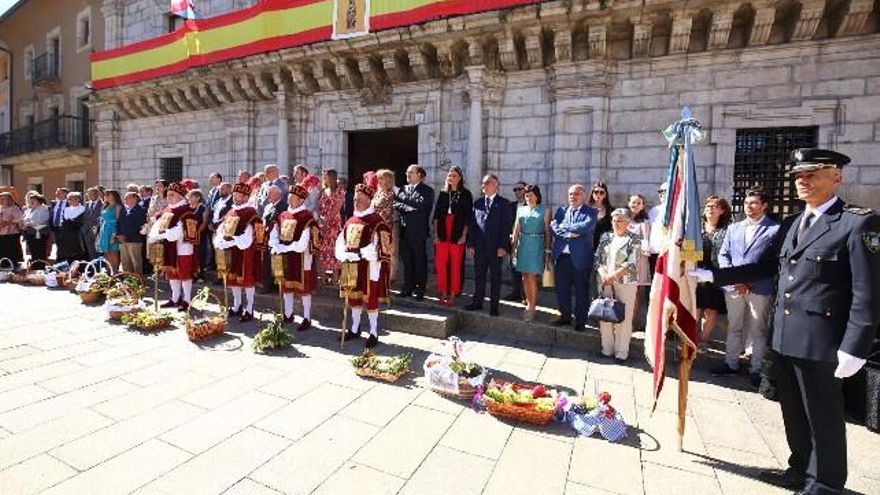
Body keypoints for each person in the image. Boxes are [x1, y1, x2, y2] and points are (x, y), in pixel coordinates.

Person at [690, 149, 880, 495]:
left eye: (813, 174)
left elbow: (868, 291)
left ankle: (826, 483)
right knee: (792, 409)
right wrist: (712, 273)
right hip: (784, 334)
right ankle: (799, 469)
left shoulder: (858, 222)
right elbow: (766, 268)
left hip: (823, 340)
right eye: (798, 176)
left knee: (823, 414)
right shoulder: (793, 222)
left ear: (836, 176)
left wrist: (856, 345)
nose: (803, 181)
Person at [713, 189, 780, 387]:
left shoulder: (775, 229)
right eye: (746, 203)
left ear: (764, 205)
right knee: (734, 326)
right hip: (734, 287)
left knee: (758, 328)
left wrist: (748, 281)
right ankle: (730, 362)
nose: (748, 207)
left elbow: (773, 262)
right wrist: (735, 280)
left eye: (753, 203)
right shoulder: (734, 228)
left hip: (759, 288)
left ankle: (757, 369)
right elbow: (723, 255)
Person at [335, 183, 392, 348]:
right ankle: (354, 328)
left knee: (371, 299)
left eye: (360, 199)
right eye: (355, 199)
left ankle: (373, 332)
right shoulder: (350, 220)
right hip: (350, 266)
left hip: (369, 267)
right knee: (354, 298)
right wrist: (343, 254)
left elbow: (381, 247)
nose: (356, 202)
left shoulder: (377, 221)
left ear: (369, 200)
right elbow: (341, 241)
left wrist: (360, 254)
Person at [269, 185, 318, 330]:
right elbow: (274, 233)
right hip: (285, 257)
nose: (289, 198)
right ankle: (288, 314)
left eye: (293, 197)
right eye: (289, 196)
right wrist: (275, 245)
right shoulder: (283, 215)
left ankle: (307, 317)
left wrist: (286, 247)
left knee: (304, 288)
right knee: (286, 287)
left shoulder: (306, 217)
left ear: (301, 200)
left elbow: (304, 242)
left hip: (302, 257)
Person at [213, 182, 265, 322]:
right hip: (231, 250)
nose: (235, 197)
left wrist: (233, 240)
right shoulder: (230, 211)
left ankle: (250, 308)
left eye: (238, 195)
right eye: (234, 194)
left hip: (245, 250)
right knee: (233, 279)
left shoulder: (250, 212)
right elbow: (221, 228)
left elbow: (249, 234)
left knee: (246, 279)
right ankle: (237, 306)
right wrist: (221, 240)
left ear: (246, 197)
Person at [594, 208, 641, 362]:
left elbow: (631, 264)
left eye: (620, 220)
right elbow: (598, 259)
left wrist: (612, 276)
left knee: (624, 318)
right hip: (605, 281)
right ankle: (606, 349)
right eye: (614, 220)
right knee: (605, 314)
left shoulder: (634, 238)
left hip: (625, 283)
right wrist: (603, 274)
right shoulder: (605, 237)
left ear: (628, 222)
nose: (616, 223)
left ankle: (621, 353)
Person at [550, 184, 597, 330]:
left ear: (583, 195)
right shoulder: (561, 211)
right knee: (562, 289)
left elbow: (586, 227)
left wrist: (565, 227)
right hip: (561, 258)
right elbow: (553, 227)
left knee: (581, 291)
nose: (573, 197)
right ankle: (565, 316)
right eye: (571, 194)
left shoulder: (591, 212)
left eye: (576, 194)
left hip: (580, 258)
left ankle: (580, 321)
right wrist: (569, 233)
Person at [147, 182, 200, 310]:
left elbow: (182, 230)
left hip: (183, 247)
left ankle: (186, 300)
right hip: (169, 246)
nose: (169, 197)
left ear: (181, 197)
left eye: (172, 195)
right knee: (172, 273)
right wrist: (154, 235)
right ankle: (175, 298)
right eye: (168, 195)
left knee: (184, 274)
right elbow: (158, 226)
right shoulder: (167, 210)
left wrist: (165, 233)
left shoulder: (186, 211)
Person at [465, 174, 511, 317]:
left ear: (496, 185)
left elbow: (506, 227)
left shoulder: (504, 203)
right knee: (479, 276)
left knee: (495, 278)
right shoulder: (477, 203)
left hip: (496, 248)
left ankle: (494, 306)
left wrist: (503, 247)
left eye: (487, 183)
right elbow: (473, 225)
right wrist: (471, 244)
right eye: (483, 183)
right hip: (479, 247)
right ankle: (477, 302)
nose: (484, 185)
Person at [695, 195, 732, 350]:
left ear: (722, 211)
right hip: (695, 271)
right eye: (708, 205)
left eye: (715, 206)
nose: (710, 208)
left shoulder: (727, 230)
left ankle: (703, 340)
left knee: (711, 308)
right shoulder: (696, 227)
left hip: (716, 273)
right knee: (695, 307)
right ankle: (690, 338)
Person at [432, 166, 472, 307]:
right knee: (441, 264)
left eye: (454, 175)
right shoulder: (443, 193)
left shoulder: (466, 194)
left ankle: (453, 294)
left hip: (457, 233)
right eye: (449, 175)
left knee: (455, 265)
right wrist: (436, 235)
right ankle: (443, 292)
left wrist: (464, 235)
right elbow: (436, 216)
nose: (451, 177)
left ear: (460, 178)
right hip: (443, 232)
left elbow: (468, 217)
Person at [393, 164, 434, 300]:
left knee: (419, 261)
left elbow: (422, 205)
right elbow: (396, 204)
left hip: (418, 232)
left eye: (411, 172)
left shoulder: (427, 190)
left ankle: (420, 289)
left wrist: (405, 201)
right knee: (407, 261)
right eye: (407, 172)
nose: (408, 175)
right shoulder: (404, 188)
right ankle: (407, 288)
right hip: (404, 231)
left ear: (420, 175)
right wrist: (409, 206)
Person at [511, 184, 551, 322]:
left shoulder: (545, 210)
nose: (528, 197)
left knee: (532, 277)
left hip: (537, 245)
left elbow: (547, 232)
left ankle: (532, 306)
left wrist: (547, 251)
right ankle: (528, 303)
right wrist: (513, 249)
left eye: (531, 195)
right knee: (524, 276)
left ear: (537, 196)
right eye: (526, 195)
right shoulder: (520, 209)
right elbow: (516, 230)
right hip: (523, 245)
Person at [319, 169, 345, 285]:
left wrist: (327, 220)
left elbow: (337, 208)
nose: (324, 178)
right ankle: (324, 276)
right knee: (323, 249)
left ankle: (335, 277)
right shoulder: (323, 191)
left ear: (331, 178)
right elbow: (319, 206)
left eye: (326, 176)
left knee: (334, 248)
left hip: (334, 224)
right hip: (323, 222)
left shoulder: (339, 191)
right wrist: (321, 219)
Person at [259, 185, 287, 292]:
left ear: (277, 194)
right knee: (267, 261)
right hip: (266, 237)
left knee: (277, 261)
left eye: (270, 193)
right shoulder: (268, 206)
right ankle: (267, 284)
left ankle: (276, 285)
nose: (268, 196)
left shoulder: (283, 206)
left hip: (277, 238)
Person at [372, 169, 398, 282]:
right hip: (377, 226)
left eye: (381, 178)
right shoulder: (378, 193)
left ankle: (390, 276)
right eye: (378, 178)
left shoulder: (390, 194)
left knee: (390, 251)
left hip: (388, 226)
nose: (378, 181)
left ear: (388, 180)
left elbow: (381, 209)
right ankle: (380, 273)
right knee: (379, 250)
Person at [504, 181, 527, 302]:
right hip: (512, 242)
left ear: (526, 190)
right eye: (515, 190)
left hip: (526, 242)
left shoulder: (531, 205)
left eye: (520, 189)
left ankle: (526, 295)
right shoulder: (510, 206)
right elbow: (507, 222)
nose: (517, 192)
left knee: (525, 270)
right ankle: (516, 292)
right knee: (514, 268)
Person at [117, 192, 147, 276]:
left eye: (127, 198)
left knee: (136, 262)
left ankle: (138, 281)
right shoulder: (123, 210)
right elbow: (118, 222)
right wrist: (119, 234)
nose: (125, 200)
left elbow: (137, 225)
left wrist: (125, 236)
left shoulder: (141, 210)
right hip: (123, 241)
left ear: (135, 199)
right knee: (125, 262)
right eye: (125, 198)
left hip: (134, 240)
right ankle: (127, 281)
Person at [186, 189, 210, 280]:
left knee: (200, 255)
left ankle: (200, 275)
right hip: (187, 236)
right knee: (190, 254)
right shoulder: (186, 207)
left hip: (199, 235)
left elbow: (204, 222)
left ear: (197, 198)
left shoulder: (203, 208)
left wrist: (197, 233)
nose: (189, 198)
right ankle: (191, 274)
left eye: (191, 196)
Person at [57, 192, 87, 264]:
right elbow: (63, 221)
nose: (72, 201)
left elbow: (80, 221)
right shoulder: (66, 209)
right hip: (66, 234)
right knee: (67, 252)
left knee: (77, 253)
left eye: (74, 199)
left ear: (78, 199)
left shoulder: (82, 209)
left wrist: (71, 222)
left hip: (76, 233)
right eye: (70, 199)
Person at [97, 190, 122, 271]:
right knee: (106, 251)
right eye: (106, 195)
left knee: (113, 251)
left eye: (109, 194)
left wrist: (114, 234)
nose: (106, 196)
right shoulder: (105, 206)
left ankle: (115, 271)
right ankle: (109, 270)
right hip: (104, 229)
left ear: (114, 196)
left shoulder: (117, 206)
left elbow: (118, 221)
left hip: (113, 229)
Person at [647, 181, 668, 274]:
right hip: (655, 251)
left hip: (671, 252)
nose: (662, 194)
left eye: (665, 191)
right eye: (660, 191)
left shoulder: (680, 210)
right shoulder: (653, 210)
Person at [21, 194, 50, 263]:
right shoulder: (29, 210)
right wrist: (23, 224)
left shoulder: (43, 208)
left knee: (39, 252)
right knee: (33, 252)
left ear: (38, 200)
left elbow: (42, 220)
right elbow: (24, 219)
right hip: (30, 233)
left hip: (39, 233)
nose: (31, 201)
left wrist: (29, 223)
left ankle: (40, 268)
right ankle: (34, 267)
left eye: (33, 200)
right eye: (30, 200)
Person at [0, 192, 23, 268]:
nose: (1, 200)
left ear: (9, 200)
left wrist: (8, 222)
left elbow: (19, 218)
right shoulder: (0, 208)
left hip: (11, 233)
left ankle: (12, 265)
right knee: (2, 250)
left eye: (3, 199)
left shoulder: (14, 208)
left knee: (11, 250)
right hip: (1, 232)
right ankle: (3, 265)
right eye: (1, 199)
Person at [588, 181, 613, 251]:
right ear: (592, 194)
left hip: (605, 247)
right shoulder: (586, 210)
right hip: (588, 246)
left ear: (605, 195)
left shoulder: (611, 211)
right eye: (596, 192)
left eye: (601, 192)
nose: (598, 194)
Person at [83, 188, 103, 260]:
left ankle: (99, 268)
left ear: (97, 194)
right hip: (87, 232)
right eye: (89, 194)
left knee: (98, 252)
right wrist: (84, 229)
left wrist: (97, 228)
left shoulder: (102, 204)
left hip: (98, 232)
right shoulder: (87, 204)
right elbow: (85, 218)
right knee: (90, 252)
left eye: (92, 194)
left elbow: (102, 218)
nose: (90, 196)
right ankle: (92, 268)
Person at [49, 187, 69, 257]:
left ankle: (65, 260)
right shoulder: (54, 203)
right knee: (58, 245)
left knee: (66, 246)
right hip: (56, 228)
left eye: (59, 193)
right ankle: (59, 259)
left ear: (65, 194)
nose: (57, 194)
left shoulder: (69, 203)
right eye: (57, 193)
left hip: (65, 228)